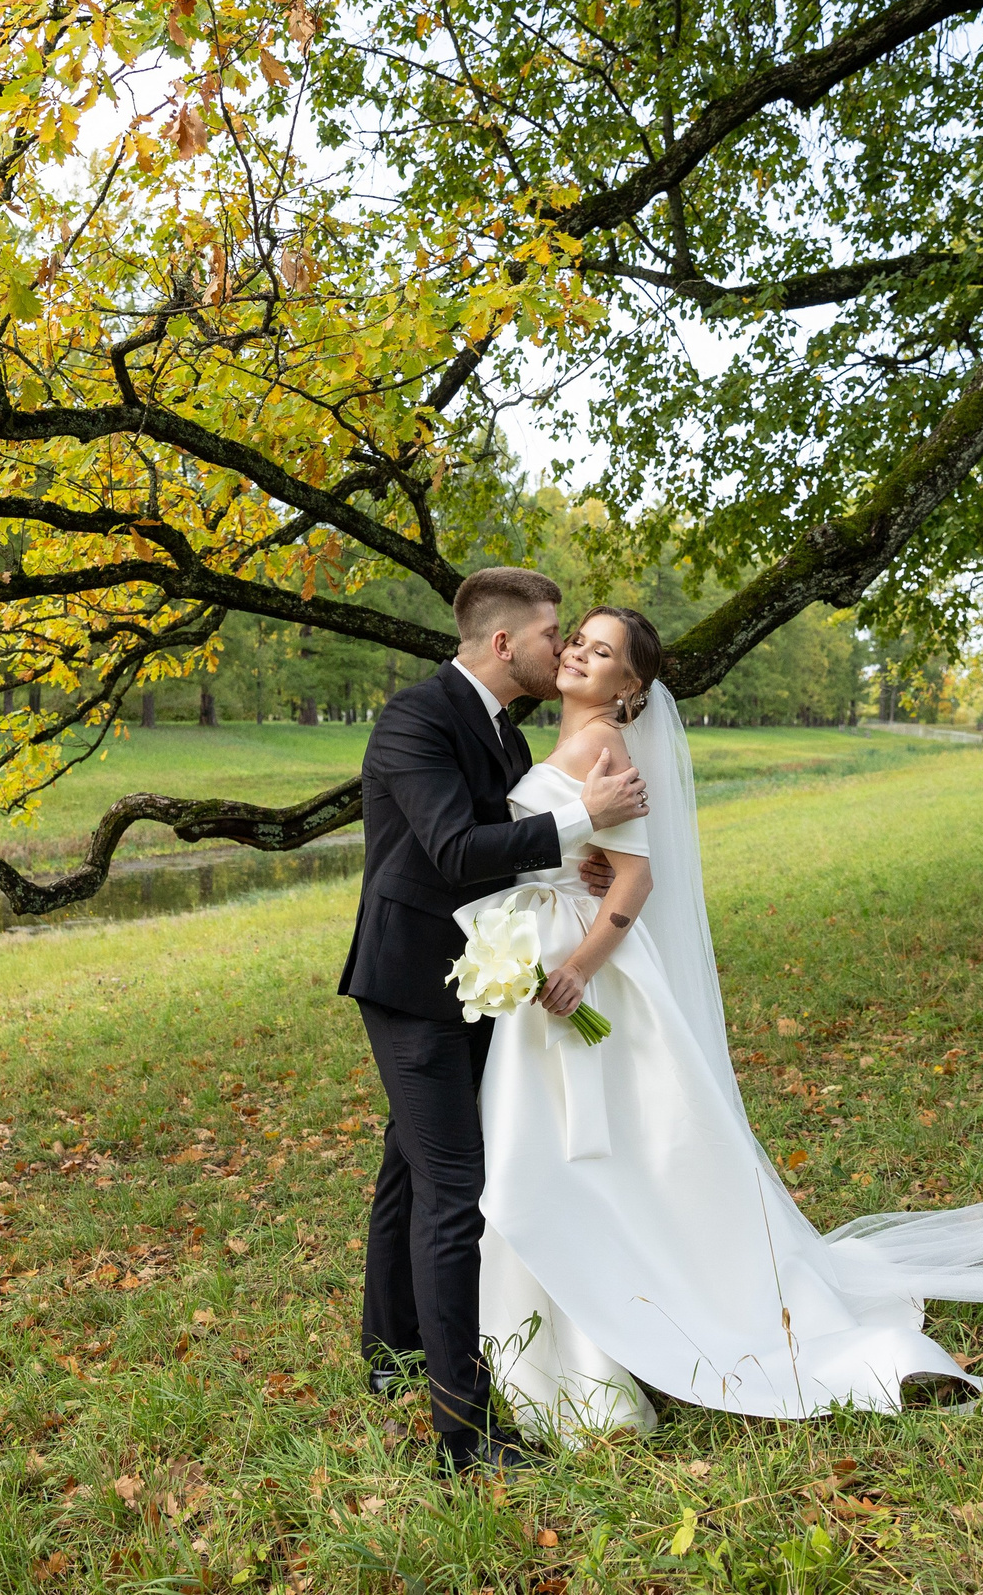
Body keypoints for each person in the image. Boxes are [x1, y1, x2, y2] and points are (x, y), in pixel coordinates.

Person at [461, 605, 983, 1444]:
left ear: (630, 685)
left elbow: (633, 883)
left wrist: (577, 966)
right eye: (581, 643)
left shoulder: (606, 749)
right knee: (559, 1159)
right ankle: (555, 1349)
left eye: (604, 652)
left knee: (572, 1159)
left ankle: (599, 1359)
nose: (582, 656)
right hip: (542, 983)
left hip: (584, 984)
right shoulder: (549, 745)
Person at [337, 567, 649, 1477]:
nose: (564, 648)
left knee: (409, 1165)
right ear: (506, 642)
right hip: (410, 982)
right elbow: (451, 849)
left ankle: (389, 1352)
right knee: (453, 1193)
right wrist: (579, 819)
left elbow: (503, 852)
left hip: (479, 980)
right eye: (556, 632)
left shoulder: (501, 729)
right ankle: (462, 1436)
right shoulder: (416, 718)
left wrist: (577, 867)